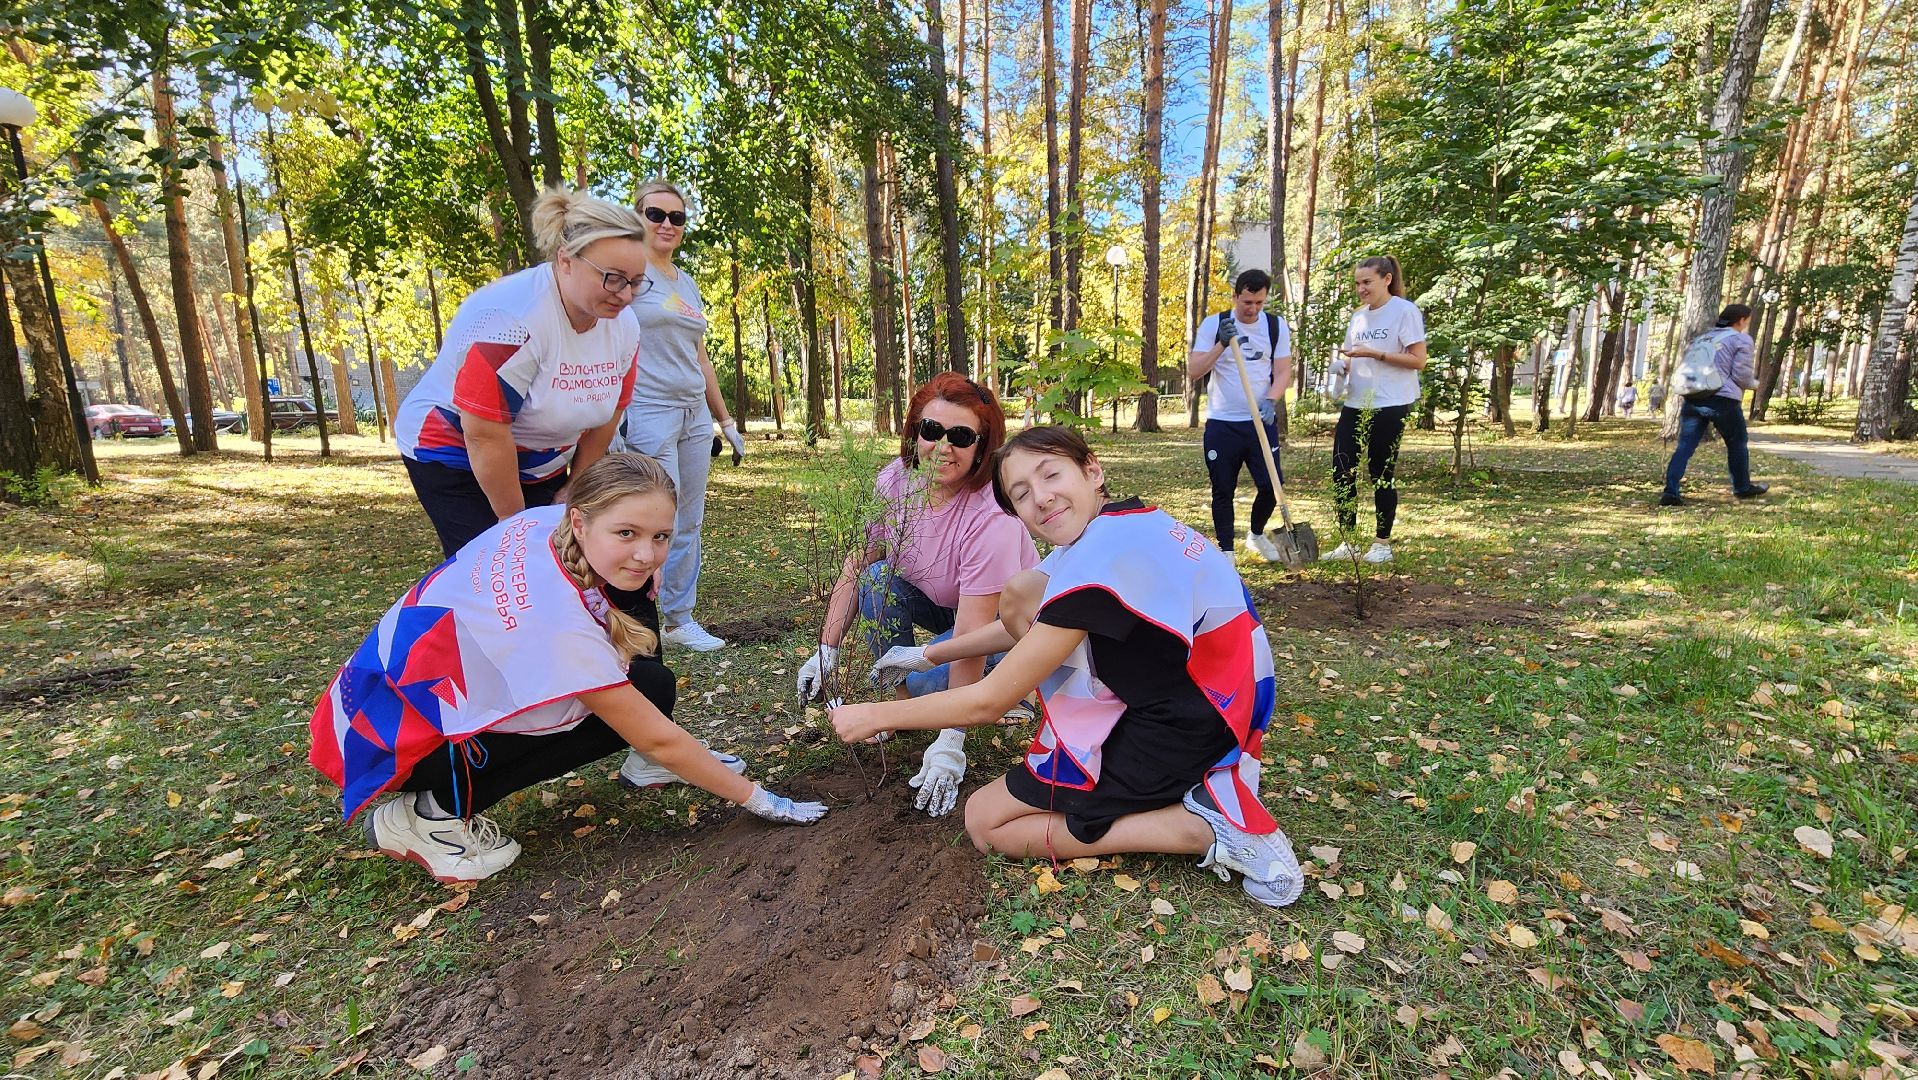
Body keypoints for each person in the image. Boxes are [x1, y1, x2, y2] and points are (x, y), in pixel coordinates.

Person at [834, 426, 1303, 907]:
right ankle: (1176, 791)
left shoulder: (1097, 561)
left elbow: (989, 702)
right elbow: (1040, 624)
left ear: (1092, 471)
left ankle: (1202, 829)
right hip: (1217, 699)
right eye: (1021, 494)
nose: (1041, 498)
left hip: (1187, 726)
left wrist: (877, 714)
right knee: (1023, 592)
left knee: (987, 823)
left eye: (1050, 474)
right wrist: (927, 654)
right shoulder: (1120, 524)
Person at [310, 454, 824, 883]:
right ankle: (429, 814)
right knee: (616, 713)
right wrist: (761, 799)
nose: (647, 553)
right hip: (395, 744)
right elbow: (657, 738)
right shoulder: (560, 628)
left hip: (373, 699)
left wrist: (630, 557)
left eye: (661, 536)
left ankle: (448, 794)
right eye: (628, 532)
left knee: (650, 685)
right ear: (580, 520)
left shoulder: (540, 526)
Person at [796, 372, 1039, 817]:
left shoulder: (992, 517)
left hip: (1005, 631)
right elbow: (857, 561)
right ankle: (903, 698)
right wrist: (826, 648)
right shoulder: (894, 482)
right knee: (876, 580)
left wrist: (950, 739)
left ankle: (1012, 687)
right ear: (914, 432)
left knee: (932, 684)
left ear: (982, 447)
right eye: (931, 430)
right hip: (941, 605)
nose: (943, 446)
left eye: (961, 436)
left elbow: (972, 631)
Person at [395, 187, 648, 560]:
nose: (625, 295)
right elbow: (484, 435)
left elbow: (609, 416)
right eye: (612, 278)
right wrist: (515, 527)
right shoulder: (508, 320)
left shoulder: (624, 326)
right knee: (500, 567)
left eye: (636, 282)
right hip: (454, 450)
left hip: (540, 456)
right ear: (565, 261)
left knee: (565, 561)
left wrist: (575, 487)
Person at [615, 180, 746, 655]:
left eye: (677, 217)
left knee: (689, 520)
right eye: (656, 214)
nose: (667, 224)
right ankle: (634, 618)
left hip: (694, 415)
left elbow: (701, 357)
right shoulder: (628, 274)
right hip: (649, 411)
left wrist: (725, 420)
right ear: (638, 217)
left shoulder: (684, 281)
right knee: (653, 518)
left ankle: (678, 619)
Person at [1321, 256, 1427, 565]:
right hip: (1357, 402)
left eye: (1367, 282)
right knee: (1342, 469)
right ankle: (1349, 541)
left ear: (1387, 279)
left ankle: (1382, 543)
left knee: (1381, 473)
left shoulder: (1404, 312)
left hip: (1391, 403)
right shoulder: (1358, 318)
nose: (1361, 289)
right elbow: (1354, 357)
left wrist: (1376, 354)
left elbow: (1418, 359)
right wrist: (1342, 366)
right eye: (1357, 283)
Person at [1187, 269, 1294, 561]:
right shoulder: (1215, 324)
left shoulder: (1275, 326)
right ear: (1235, 296)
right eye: (1247, 302)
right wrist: (1221, 342)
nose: (1253, 309)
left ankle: (1256, 535)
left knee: (1271, 486)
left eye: (1259, 302)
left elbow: (1284, 370)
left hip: (1260, 422)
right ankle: (1226, 551)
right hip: (1223, 424)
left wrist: (1272, 399)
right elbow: (1195, 371)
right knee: (1223, 488)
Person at [1660, 304, 1768, 507]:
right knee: (1736, 442)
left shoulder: (1704, 337)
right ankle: (1742, 487)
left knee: (1685, 446)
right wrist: (1753, 384)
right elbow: (1741, 374)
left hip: (1694, 396)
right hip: (1722, 398)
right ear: (1742, 320)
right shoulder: (1740, 339)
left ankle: (1671, 491)